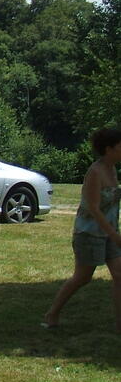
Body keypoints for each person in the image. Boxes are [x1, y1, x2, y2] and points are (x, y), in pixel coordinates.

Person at [43, 126, 121, 331]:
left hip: (110, 233)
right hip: (89, 233)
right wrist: (114, 234)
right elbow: (94, 208)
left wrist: (113, 233)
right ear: (108, 149)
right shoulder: (95, 172)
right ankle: (52, 313)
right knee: (83, 277)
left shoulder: (112, 169)